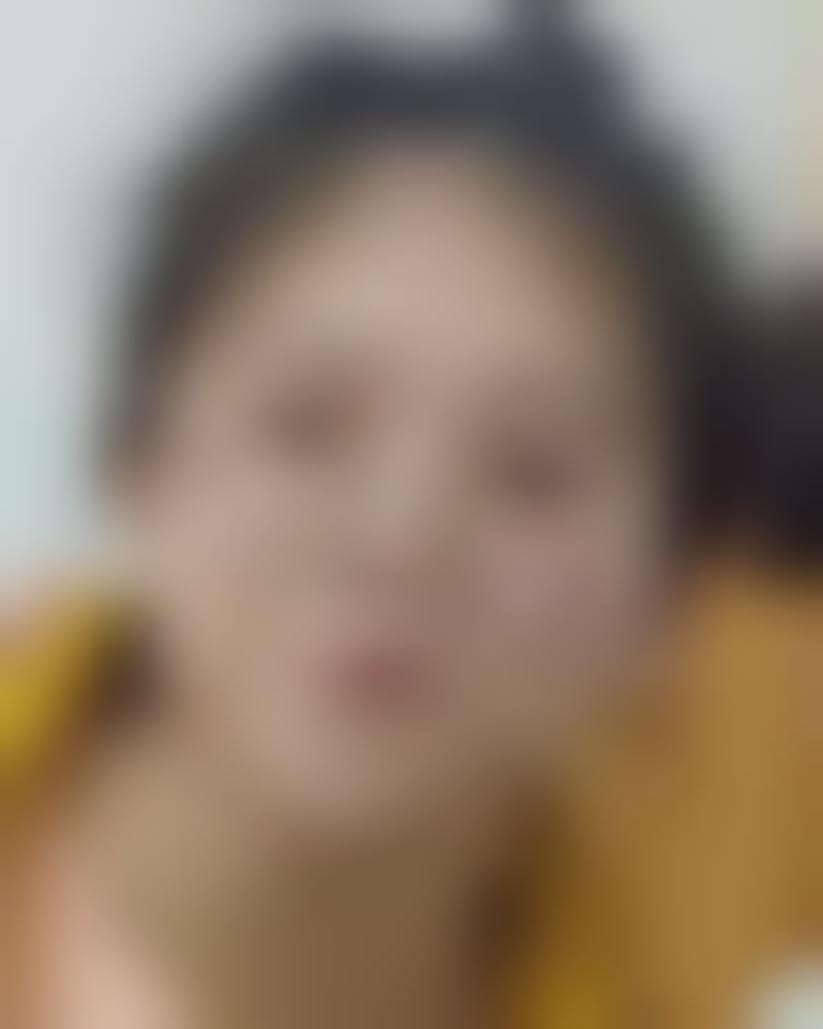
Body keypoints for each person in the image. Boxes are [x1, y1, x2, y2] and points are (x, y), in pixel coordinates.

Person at [2, 27, 819, 1029]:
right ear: (137, 457)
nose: (400, 537)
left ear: (665, 594)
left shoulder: (671, 929)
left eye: (529, 473)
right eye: (308, 423)